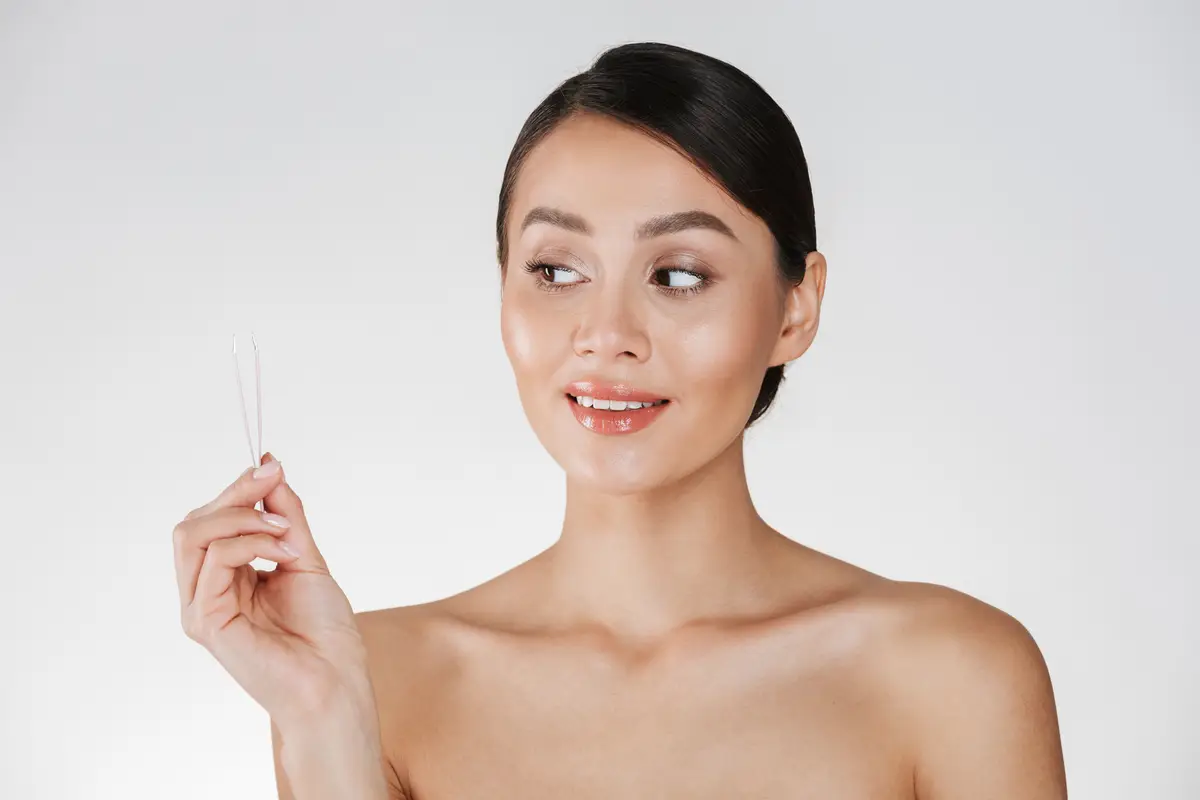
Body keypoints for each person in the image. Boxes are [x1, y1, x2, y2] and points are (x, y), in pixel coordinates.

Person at [172, 41, 1067, 799]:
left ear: (795, 309)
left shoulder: (953, 677)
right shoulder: (376, 680)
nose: (605, 337)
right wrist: (323, 723)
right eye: (557, 270)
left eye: (678, 274)